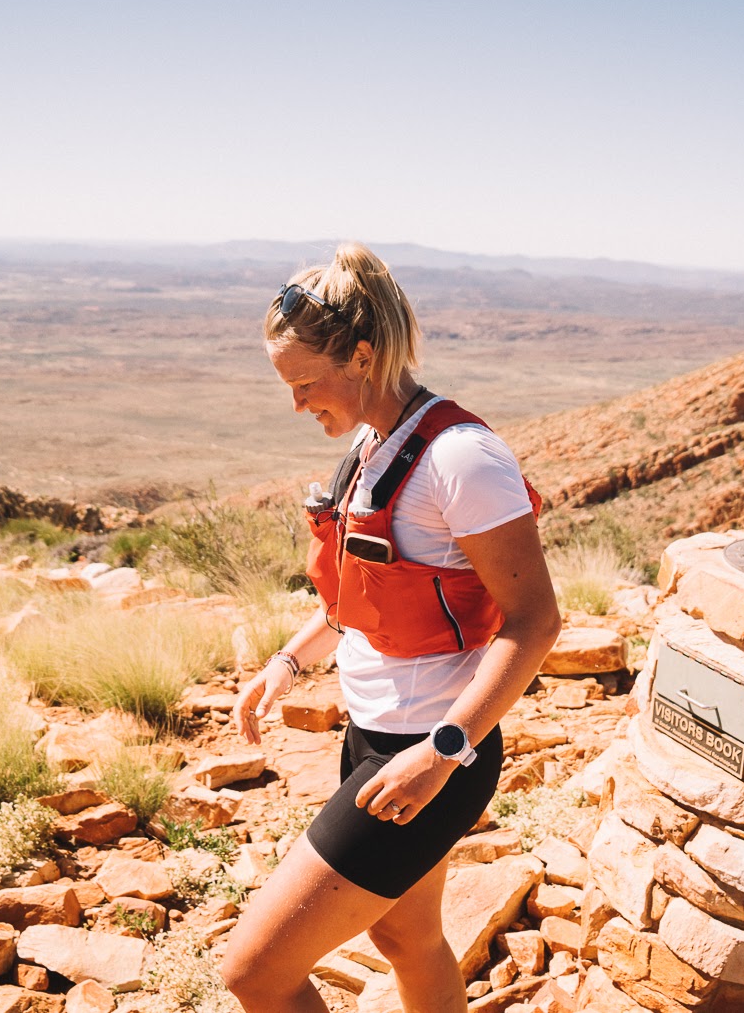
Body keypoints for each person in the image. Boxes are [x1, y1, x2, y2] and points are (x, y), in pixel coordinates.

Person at [220, 242, 561, 1013]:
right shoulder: (371, 447)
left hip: (431, 754)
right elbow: (362, 602)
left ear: (364, 354)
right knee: (406, 939)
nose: (298, 402)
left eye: (306, 382)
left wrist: (441, 753)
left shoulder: (461, 458)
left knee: (253, 972)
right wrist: (287, 663)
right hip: (373, 738)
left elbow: (536, 622)